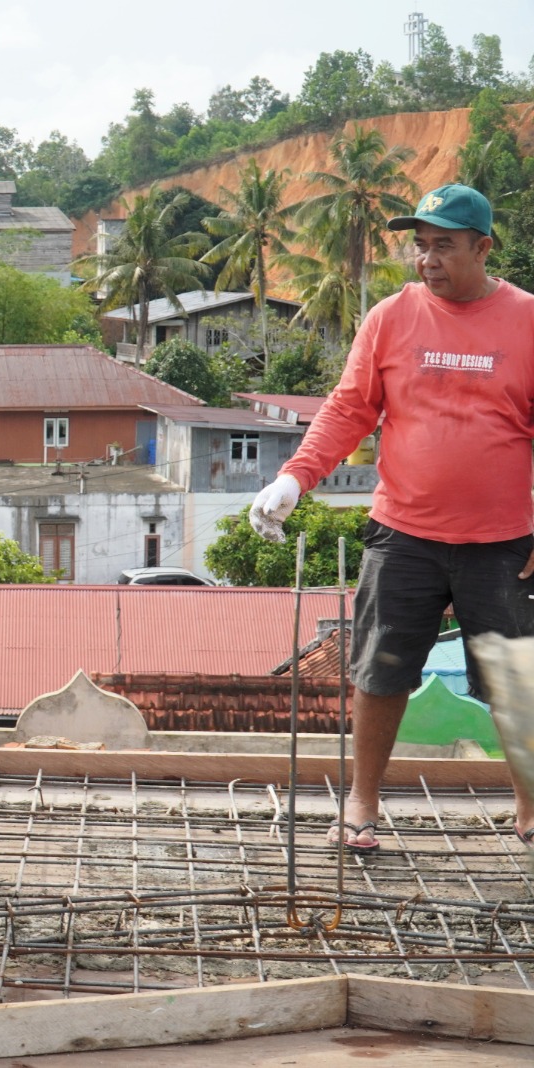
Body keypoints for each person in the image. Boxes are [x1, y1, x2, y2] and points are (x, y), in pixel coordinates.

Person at [250, 184, 534, 854]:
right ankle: (362, 802)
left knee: (513, 678)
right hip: (405, 532)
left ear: (482, 247)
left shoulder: (526, 320)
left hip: (502, 543)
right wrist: (295, 477)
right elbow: (349, 408)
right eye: (421, 245)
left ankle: (528, 808)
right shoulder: (391, 317)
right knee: (380, 670)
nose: (428, 260)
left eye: (444, 245)